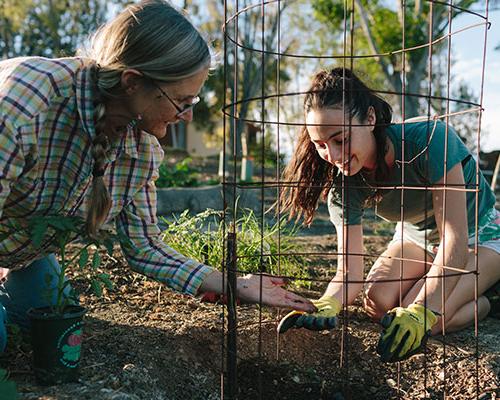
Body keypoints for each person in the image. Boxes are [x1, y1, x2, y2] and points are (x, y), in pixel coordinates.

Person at [0, 0, 315, 353]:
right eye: (182, 101)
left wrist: (236, 283)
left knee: (44, 319)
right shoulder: (29, 101)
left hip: (17, 252)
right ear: (133, 82)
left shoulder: (139, 151)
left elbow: (144, 246)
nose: (187, 117)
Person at [277, 67, 500, 363]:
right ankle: (445, 285)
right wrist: (328, 303)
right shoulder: (344, 186)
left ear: (370, 119)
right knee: (378, 305)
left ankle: (487, 302)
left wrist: (422, 311)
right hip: (415, 237)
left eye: (340, 139)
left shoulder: (431, 141)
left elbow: (454, 241)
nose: (332, 155)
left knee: (425, 316)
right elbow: (349, 273)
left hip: (478, 236)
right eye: (320, 145)